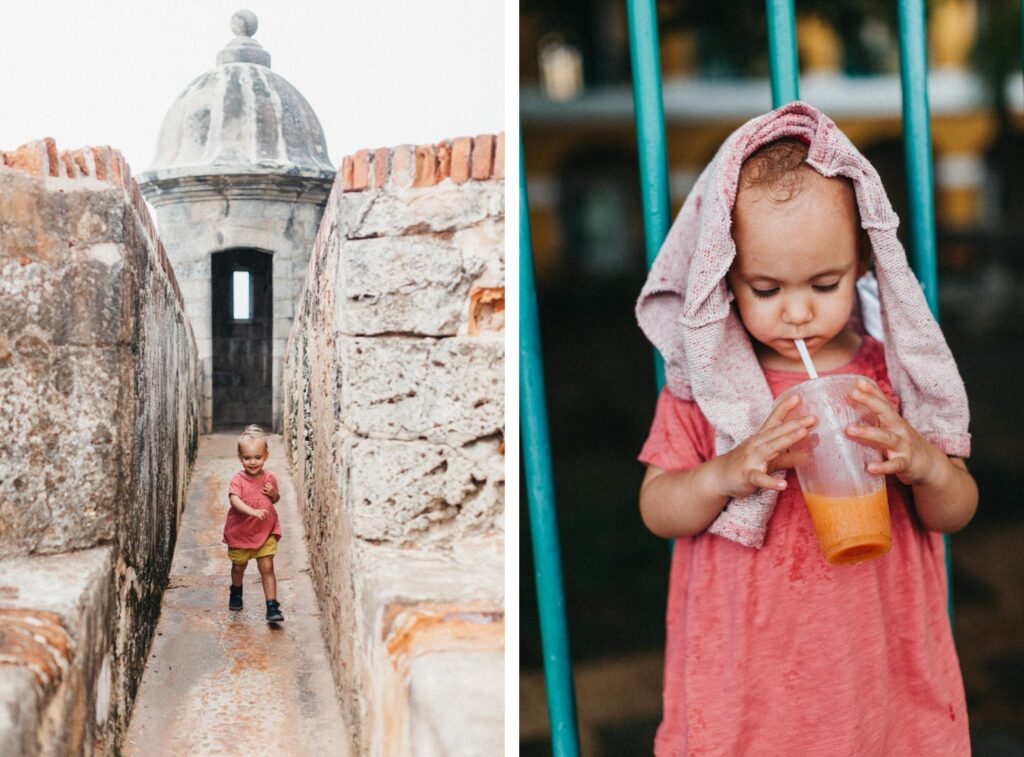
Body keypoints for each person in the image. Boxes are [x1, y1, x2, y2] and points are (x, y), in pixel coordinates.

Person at [635, 102, 977, 754]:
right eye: (765, 289)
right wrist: (727, 472)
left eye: (826, 282)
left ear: (865, 265)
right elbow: (657, 507)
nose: (797, 312)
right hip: (753, 678)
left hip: (872, 667)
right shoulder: (707, 391)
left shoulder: (887, 374)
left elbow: (956, 509)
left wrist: (927, 464)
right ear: (724, 281)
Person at [224, 424, 285, 622]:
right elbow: (234, 500)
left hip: (265, 531)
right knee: (238, 567)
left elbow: (275, 499)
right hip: (241, 532)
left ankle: (272, 606)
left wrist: (274, 493)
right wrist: (252, 511)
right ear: (239, 457)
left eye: (257, 457)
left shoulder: (269, 478)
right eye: (247, 458)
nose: (252, 462)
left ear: (265, 455)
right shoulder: (238, 479)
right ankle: (236, 591)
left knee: (267, 568)